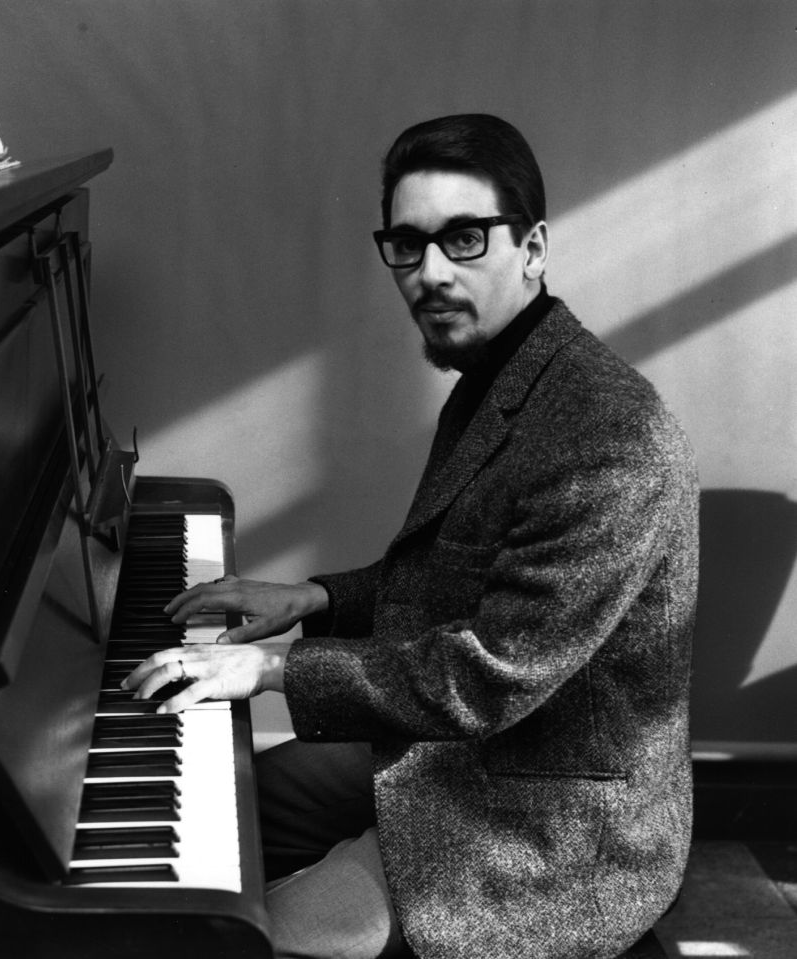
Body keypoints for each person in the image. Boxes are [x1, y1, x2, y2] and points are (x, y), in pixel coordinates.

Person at [123, 114, 699, 959]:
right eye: (407, 243)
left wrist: (271, 666)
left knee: (244, 941)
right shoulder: (500, 372)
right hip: (463, 757)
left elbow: (487, 673)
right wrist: (311, 597)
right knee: (225, 811)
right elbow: (446, 578)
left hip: (544, 819)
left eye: (463, 239)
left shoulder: (606, 435)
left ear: (532, 247)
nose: (429, 273)